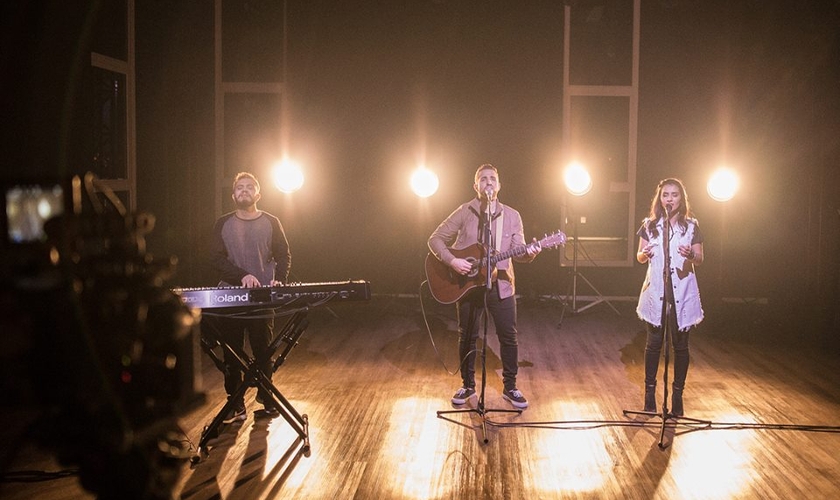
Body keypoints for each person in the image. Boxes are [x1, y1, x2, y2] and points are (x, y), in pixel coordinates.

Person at [428, 163, 541, 409]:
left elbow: (519, 251)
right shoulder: (465, 210)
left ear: (499, 185)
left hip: (501, 285)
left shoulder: (512, 216)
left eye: (492, 178)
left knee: (508, 337)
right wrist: (453, 261)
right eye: (483, 179)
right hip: (467, 285)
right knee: (467, 336)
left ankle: (510, 387)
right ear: (476, 186)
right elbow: (435, 239)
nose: (488, 182)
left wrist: (530, 253)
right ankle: (468, 385)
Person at [209, 171, 291, 422]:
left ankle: (266, 399)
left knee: (263, 350)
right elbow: (216, 259)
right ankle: (236, 404)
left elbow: (283, 254)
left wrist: (281, 280)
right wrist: (241, 275)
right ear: (233, 195)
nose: (244, 190)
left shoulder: (271, 221)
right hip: (231, 296)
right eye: (239, 188)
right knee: (232, 352)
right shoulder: (223, 223)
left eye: (249, 187)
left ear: (258, 194)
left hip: (262, 296)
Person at [636, 177, 704, 416]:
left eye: (674, 195)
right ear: (660, 198)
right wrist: (644, 253)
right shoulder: (650, 225)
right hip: (657, 291)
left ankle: (677, 395)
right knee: (653, 345)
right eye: (666, 195)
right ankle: (649, 394)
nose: (670, 199)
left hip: (682, 292)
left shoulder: (692, 226)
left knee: (681, 346)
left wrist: (690, 256)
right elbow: (639, 256)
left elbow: (700, 258)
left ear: (681, 198)